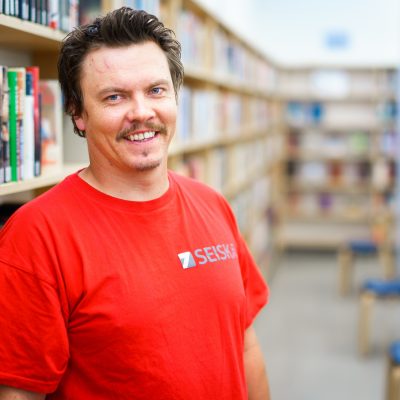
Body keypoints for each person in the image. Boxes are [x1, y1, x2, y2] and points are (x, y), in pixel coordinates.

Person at [0, 7, 270, 400]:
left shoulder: (213, 203)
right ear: (77, 112)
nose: (142, 113)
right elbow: (19, 393)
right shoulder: (36, 236)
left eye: (156, 90)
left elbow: (244, 346)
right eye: (115, 96)